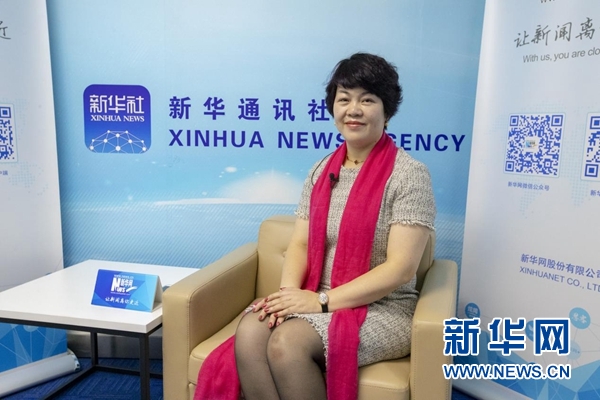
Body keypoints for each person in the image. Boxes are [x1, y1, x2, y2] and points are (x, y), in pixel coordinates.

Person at [195, 52, 436, 400]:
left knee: (287, 343)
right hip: (316, 295)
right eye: (344, 99)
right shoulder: (322, 170)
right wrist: (288, 297)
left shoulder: (409, 175)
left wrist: (320, 302)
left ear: (387, 111)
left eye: (367, 100)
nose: (353, 110)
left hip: (383, 308)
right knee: (251, 330)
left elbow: (401, 268)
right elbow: (300, 244)